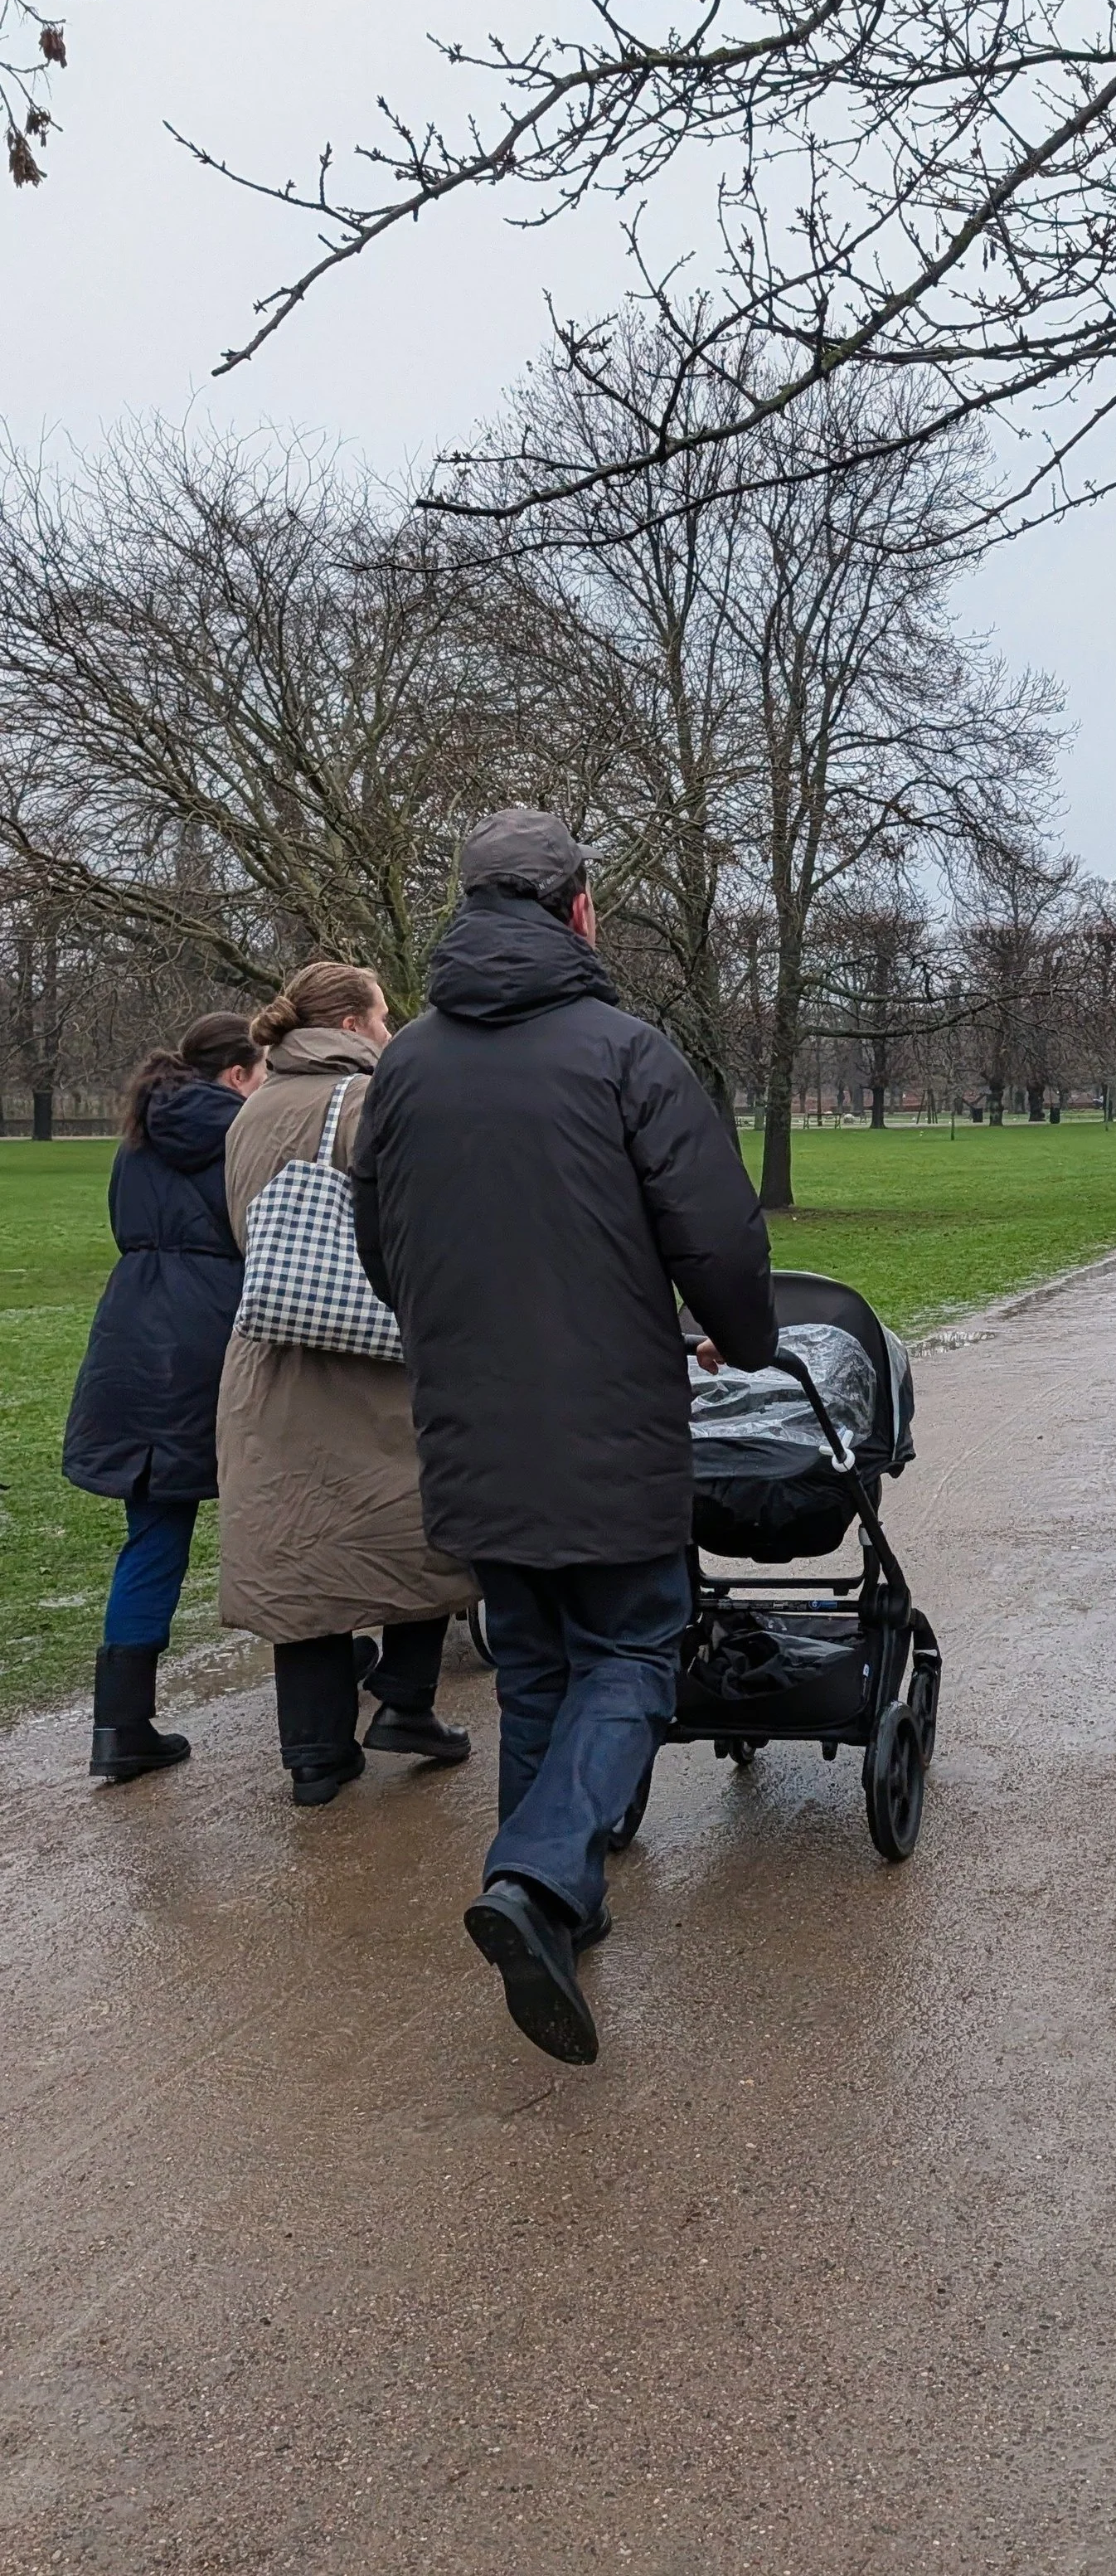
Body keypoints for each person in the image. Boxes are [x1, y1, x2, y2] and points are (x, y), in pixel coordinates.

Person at [351, 809, 777, 2066]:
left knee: (538, 1667)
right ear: (579, 909)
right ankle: (538, 1875)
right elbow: (716, 1233)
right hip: (609, 1424)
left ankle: (554, 1908)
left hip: (472, 1424)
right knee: (636, 1653)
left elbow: (389, 1250)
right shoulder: (625, 1053)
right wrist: (746, 1341)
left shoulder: (407, 1068)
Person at [217, 961, 474, 1807]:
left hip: (276, 1359)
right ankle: (404, 1698)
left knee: (302, 1553)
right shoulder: (370, 1101)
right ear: (356, 1024)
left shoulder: (252, 1108)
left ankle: (315, 1754)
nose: (393, 1028)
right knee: (417, 1525)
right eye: (384, 1013)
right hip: (369, 1354)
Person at [64, 1013, 264, 1781]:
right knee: (278, 1499)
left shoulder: (136, 1136)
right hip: (212, 1327)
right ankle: (329, 1667)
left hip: (131, 1327)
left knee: (153, 1530)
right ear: (240, 1074)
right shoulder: (244, 1135)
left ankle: (120, 1724)